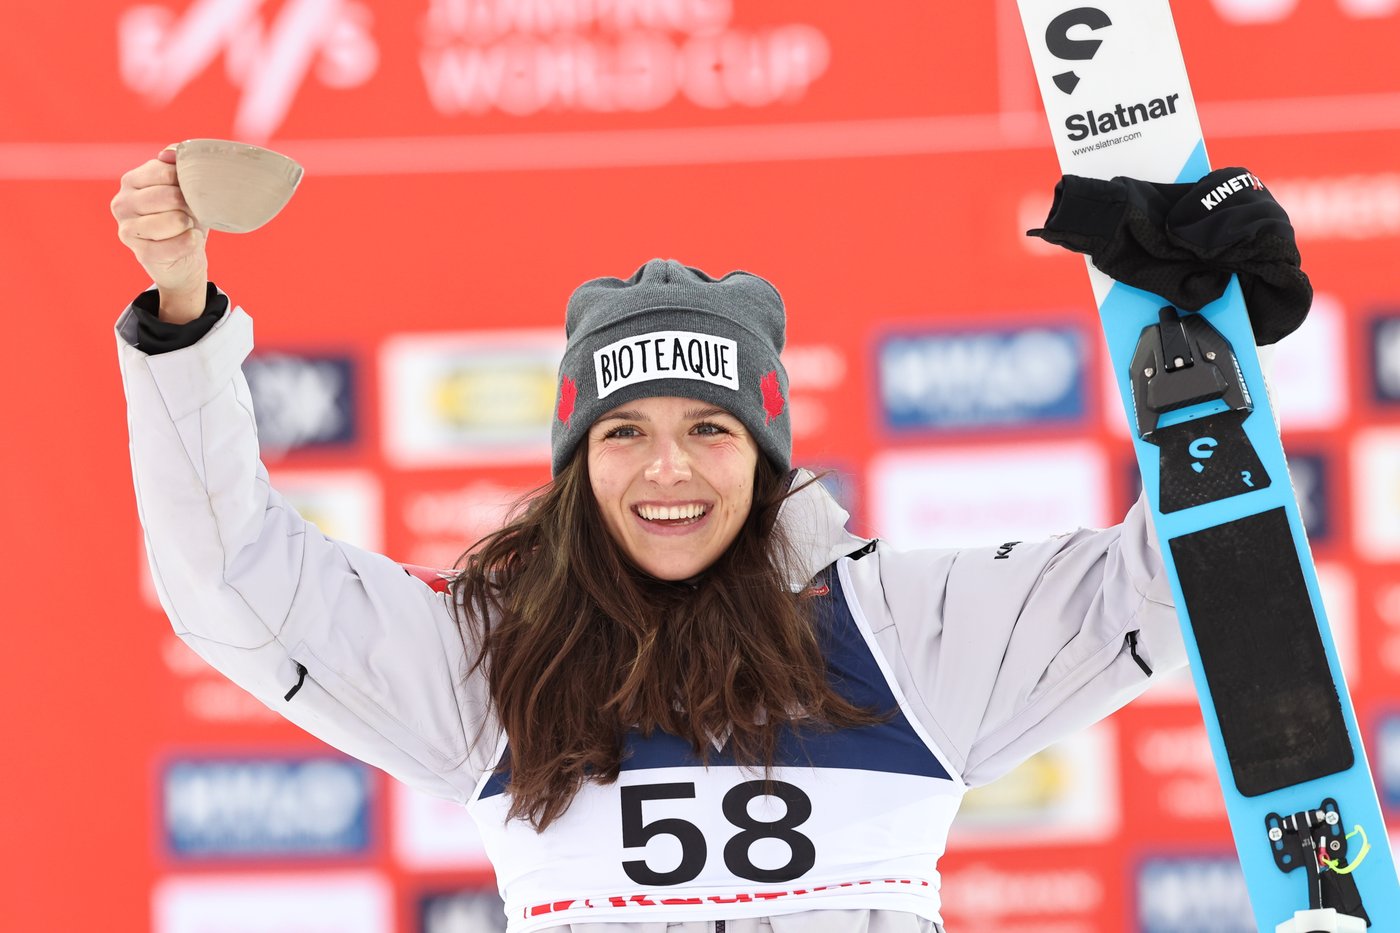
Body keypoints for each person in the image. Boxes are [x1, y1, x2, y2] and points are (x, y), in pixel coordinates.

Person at [112, 149, 1306, 933]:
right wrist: (180, 314)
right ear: (577, 463)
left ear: (766, 450)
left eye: (707, 429)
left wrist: (1210, 347)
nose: (667, 469)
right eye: (621, 433)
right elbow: (231, 581)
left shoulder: (897, 633)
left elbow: (1183, 587)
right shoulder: (494, 670)